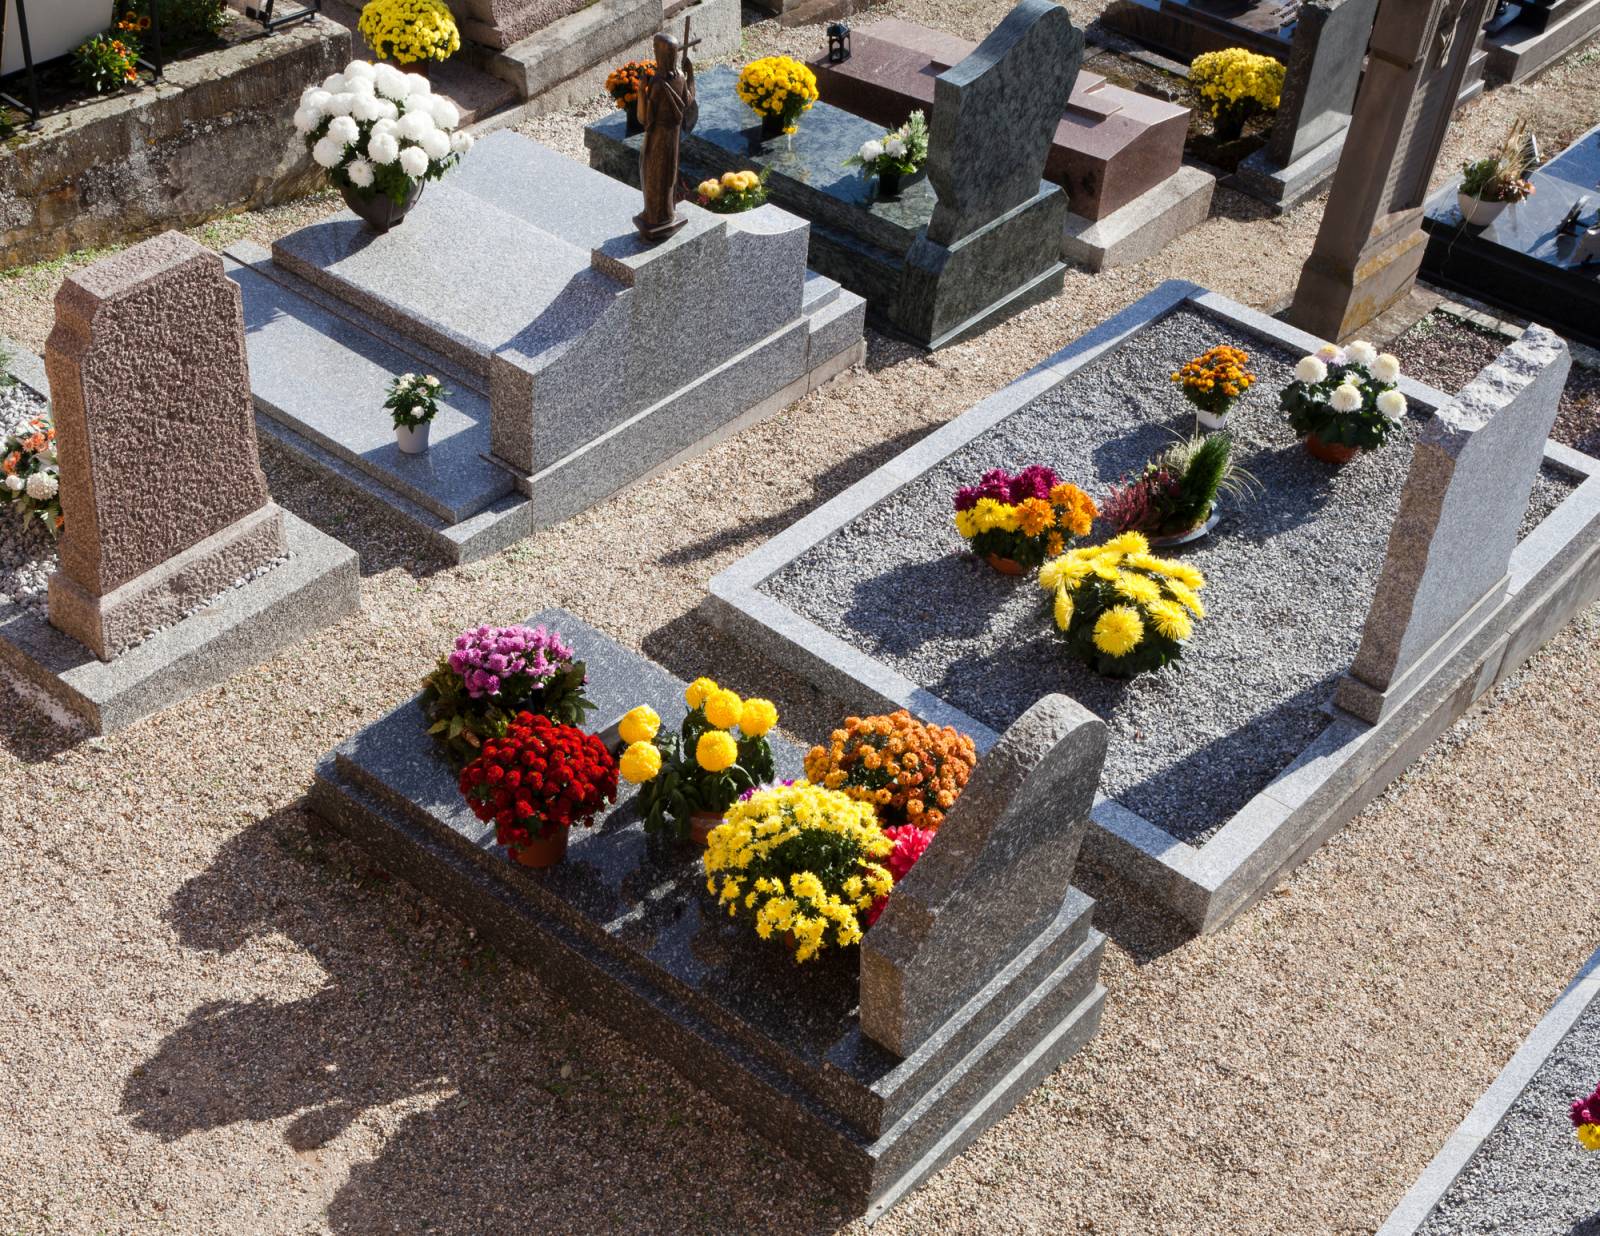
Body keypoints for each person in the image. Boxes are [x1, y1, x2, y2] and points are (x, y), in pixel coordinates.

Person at [633, 32, 696, 242]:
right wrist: (691, 75)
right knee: (668, 174)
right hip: (673, 137)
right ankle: (667, 213)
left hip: (658, 138)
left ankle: (656, 217)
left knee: (652, 173)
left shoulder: (659, 84)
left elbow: (643, 118)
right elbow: (688, 102)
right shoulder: (679, 77)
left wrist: (642, 91)